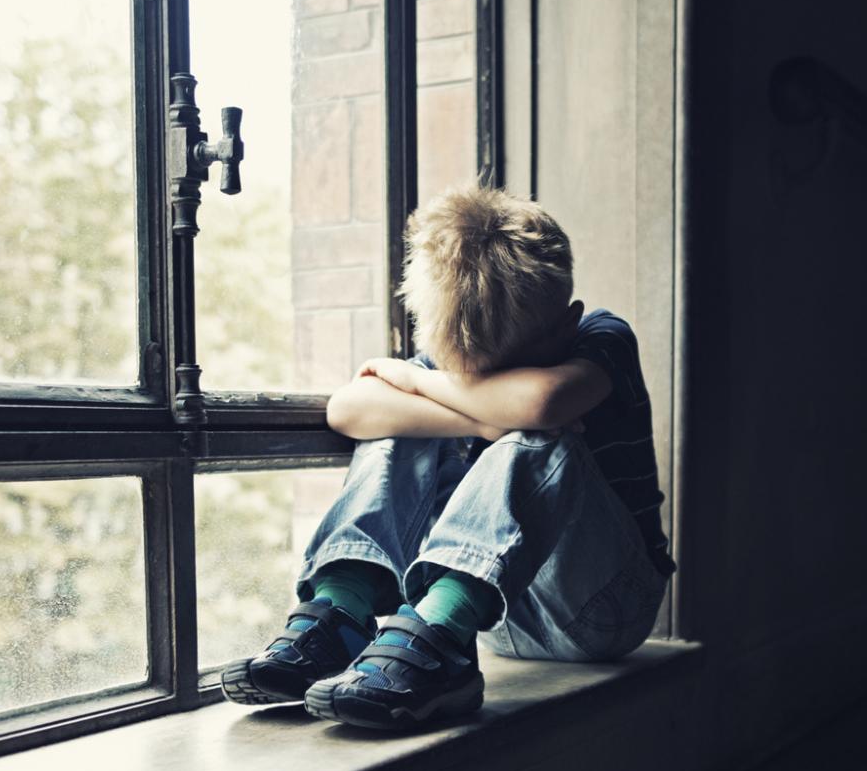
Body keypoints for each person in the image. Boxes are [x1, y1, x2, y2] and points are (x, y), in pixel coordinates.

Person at [221, 185, 675, 729]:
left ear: (567, 321)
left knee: (539, 434)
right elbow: (349, 409)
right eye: (466, 370)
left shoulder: (602, 334)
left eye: (502, 372)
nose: (475, 380)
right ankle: (344, 612)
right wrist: (479, 413)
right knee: (396, 430)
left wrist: (417, 381)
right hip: (491, 616)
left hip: (603, 610)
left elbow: (544, 402)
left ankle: (437, 636)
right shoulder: (457, 340)